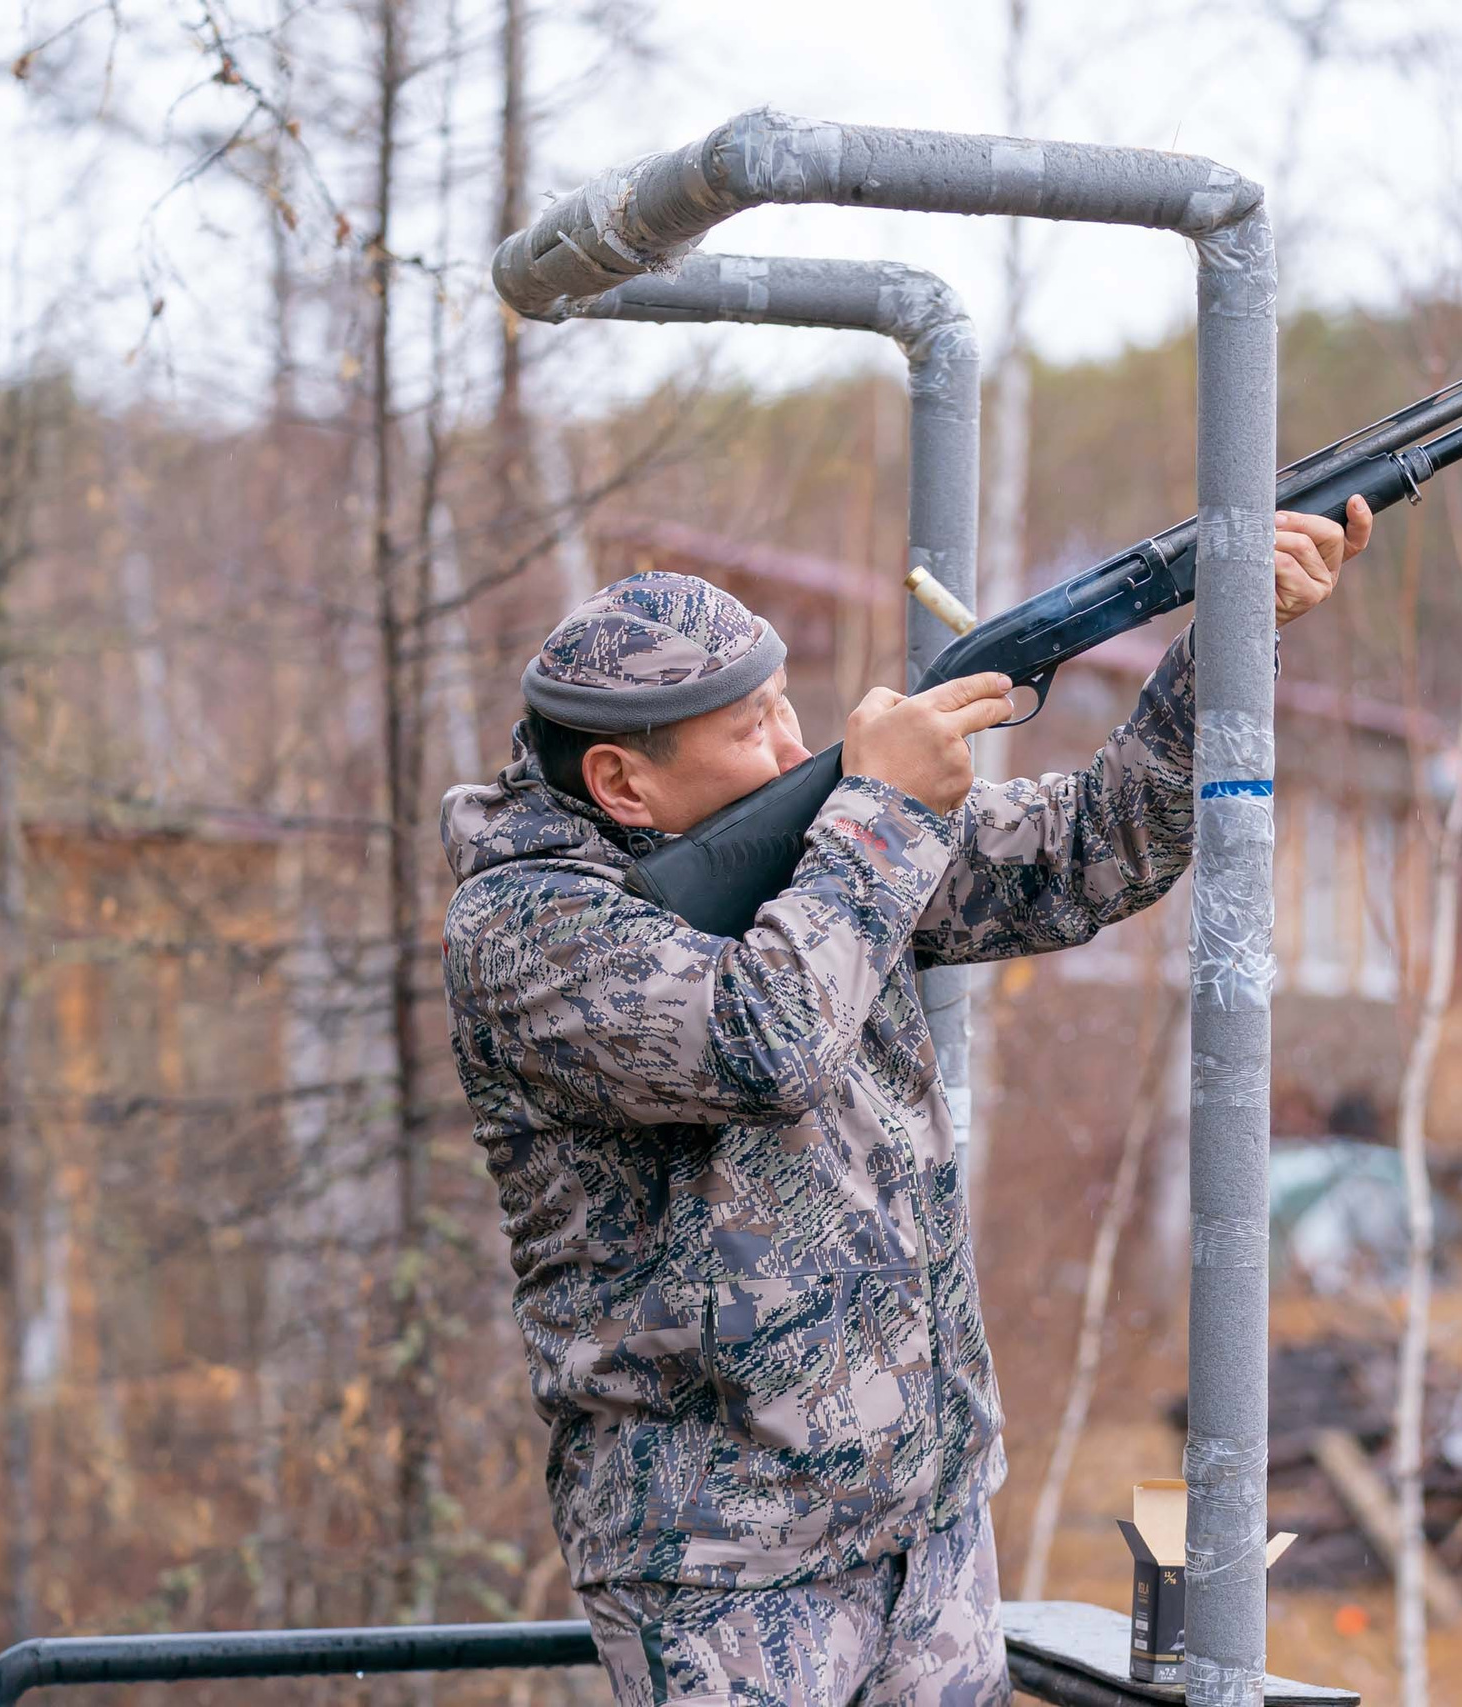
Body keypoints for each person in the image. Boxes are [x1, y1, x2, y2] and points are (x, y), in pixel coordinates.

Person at [439, 498, 1373, 1707]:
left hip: (926, 1521)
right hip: (725, 1563)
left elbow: (1095, 847)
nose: (796, 748)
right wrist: (880, 812)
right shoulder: (525, 927)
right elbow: (762, 1042)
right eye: (750, 729)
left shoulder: (811, 847)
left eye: (786, 706)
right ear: (620, 781)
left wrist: (1232, 645)